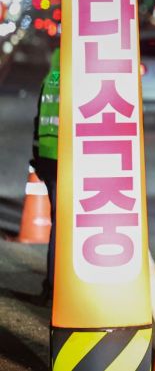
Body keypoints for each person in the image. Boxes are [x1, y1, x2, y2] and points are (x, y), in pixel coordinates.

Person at [31, 45, 60, 306]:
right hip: (72, 159)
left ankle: (51, 285)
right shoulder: (80, 80)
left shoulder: (50, 80)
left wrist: (38, 159)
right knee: (67, 226)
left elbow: (38, 121)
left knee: (58, 223)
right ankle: (57, 287)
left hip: (49, 159)